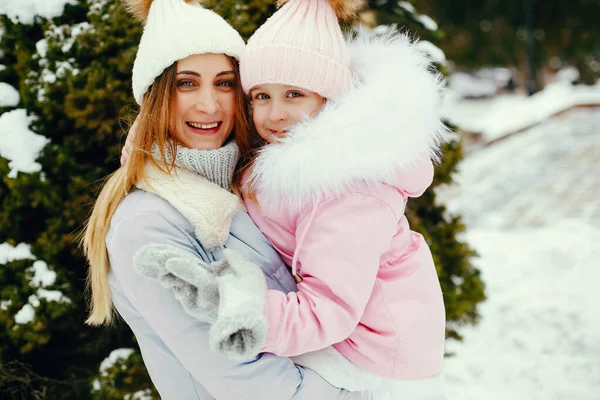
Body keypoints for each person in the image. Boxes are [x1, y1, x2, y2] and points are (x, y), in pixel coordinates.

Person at [131, 0, 450, 399]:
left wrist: (240, 310)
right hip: (351, 343)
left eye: (294, 94)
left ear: (328, 97)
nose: (274, 114)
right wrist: (144, 150)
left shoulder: (349, 190)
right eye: (261, 96)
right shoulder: (286, 160)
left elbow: (328, 310)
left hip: (378, 364)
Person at [82, 0, 362, 398]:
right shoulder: (147, 225)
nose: (209, 104)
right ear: (155, 97)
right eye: (186, 83)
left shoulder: (249, 188)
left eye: (225, 83)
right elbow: (247, 381)